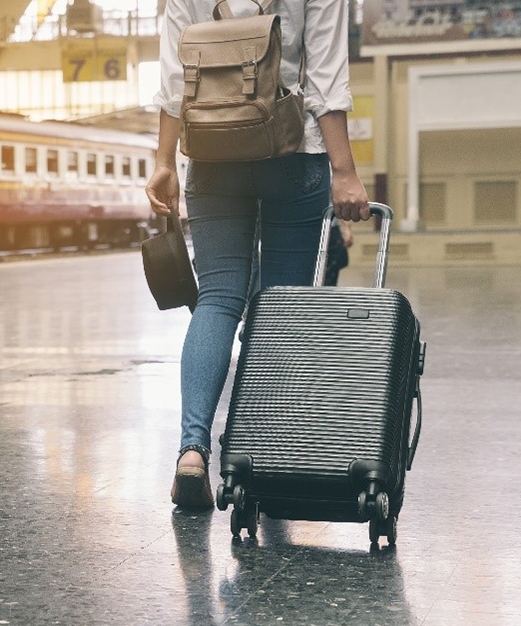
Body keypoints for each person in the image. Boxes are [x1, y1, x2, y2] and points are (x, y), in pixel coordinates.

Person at [146, 0, 370, 509]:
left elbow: (174, 80)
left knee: (219, 298)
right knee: (279, 308)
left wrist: (163, 162)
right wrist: (345, 170)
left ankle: (191, 451)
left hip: (210, 154)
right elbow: (327, 78)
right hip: (293, 152)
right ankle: (259, 452)